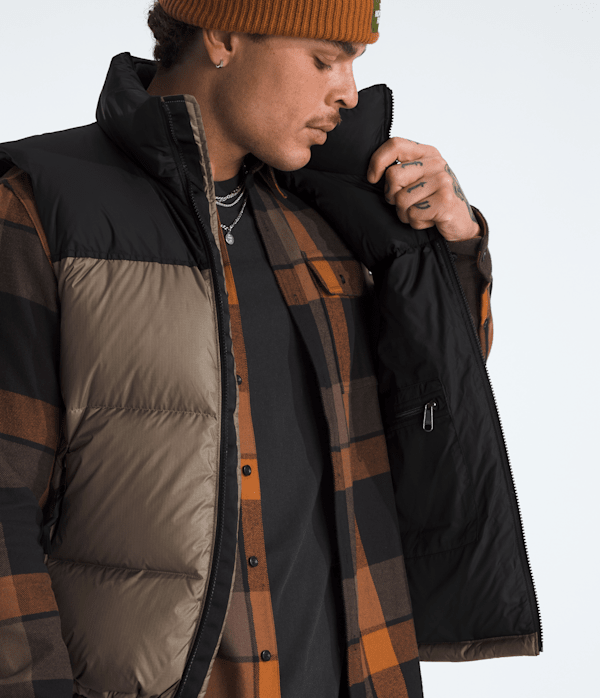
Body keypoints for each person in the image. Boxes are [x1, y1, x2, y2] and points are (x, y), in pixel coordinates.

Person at [0, 1, 541, 697]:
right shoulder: (42, 206)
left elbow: (430, 402)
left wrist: (448, 249)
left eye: (354, 64)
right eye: (324, 59)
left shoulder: (334, 207)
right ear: (223, 36)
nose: (348, 93)